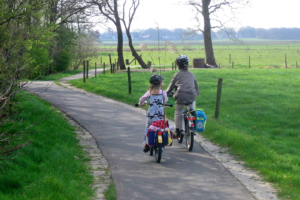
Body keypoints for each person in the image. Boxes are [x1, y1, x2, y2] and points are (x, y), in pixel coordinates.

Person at [166, 55, 199, 138]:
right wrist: (196, 94)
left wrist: (166, 93)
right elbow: (196, 88)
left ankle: (177, 130)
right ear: (187, 64)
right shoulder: (192, 75)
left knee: (178, 111)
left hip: (180, 96)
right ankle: (192, 123)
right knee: (191, 110)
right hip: (191, 96)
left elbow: (171, 87)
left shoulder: (177, 75)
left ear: (178, 65)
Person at [139, 74, 168, 153]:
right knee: (161, 127)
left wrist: (140, 103)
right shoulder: (163, 92)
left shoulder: (149, 92)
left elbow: (142, 99)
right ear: (161, 83)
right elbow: (166, 100)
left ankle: (146, 143)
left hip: (151, 116)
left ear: (151, 84)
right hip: (161, 115)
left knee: (148, 128)